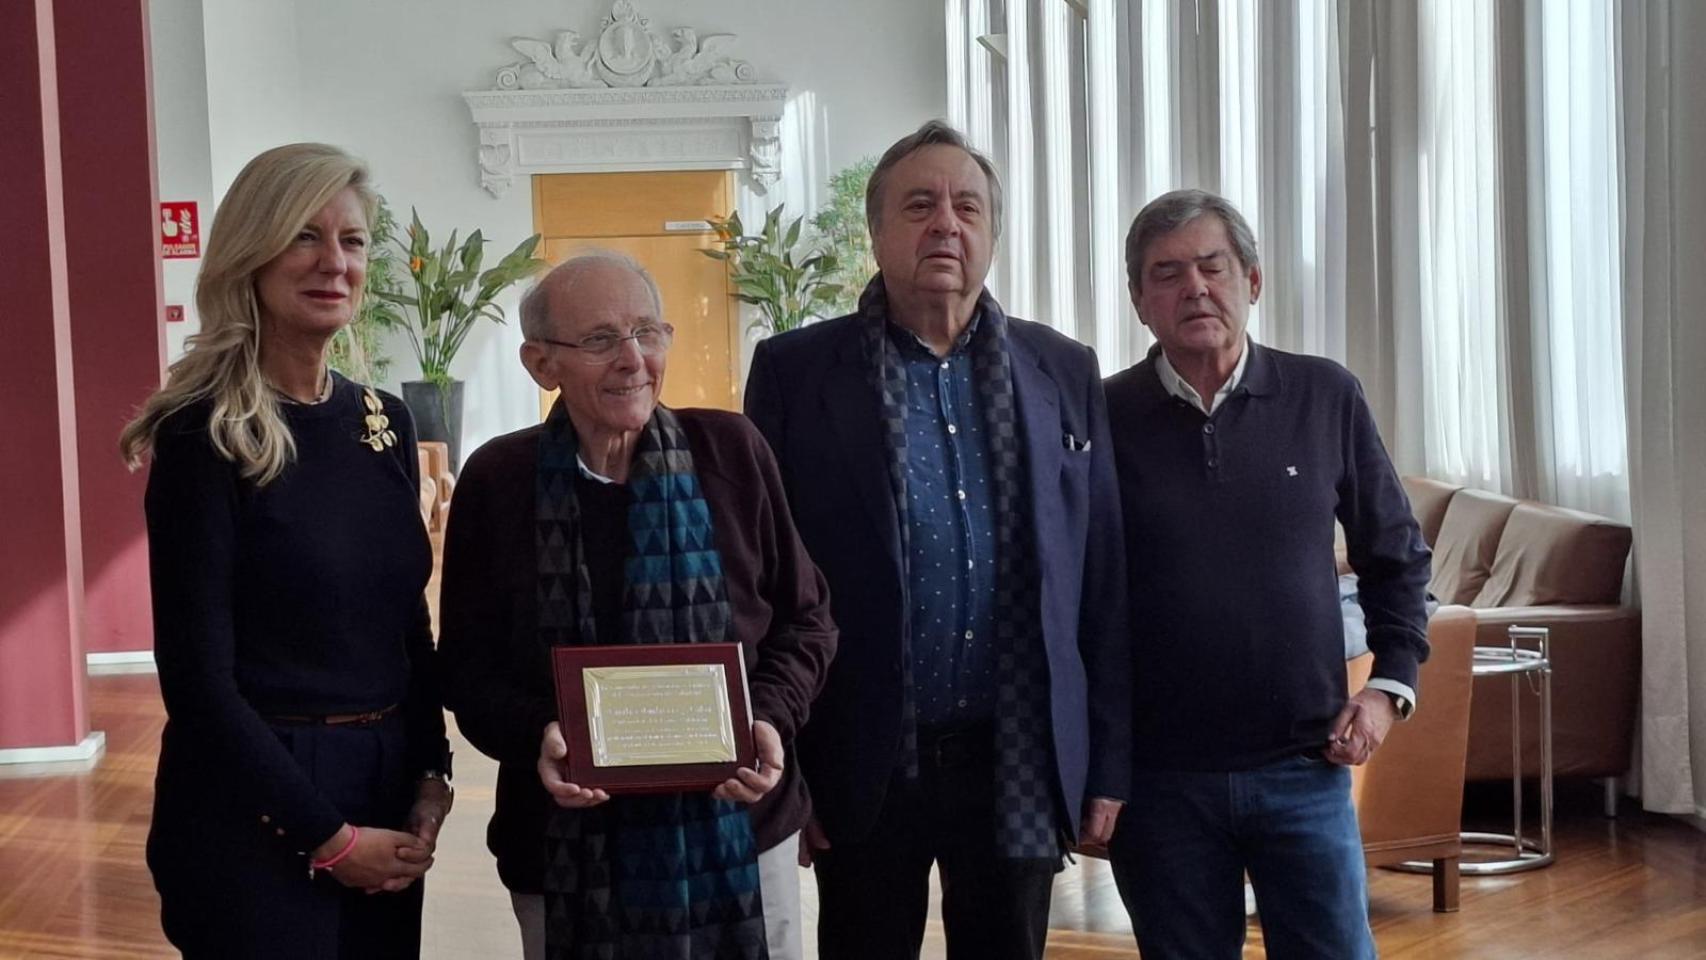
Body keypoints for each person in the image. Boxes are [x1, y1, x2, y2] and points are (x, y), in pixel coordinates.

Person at [744, 120, 1131, 960]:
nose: (945, 225)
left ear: (991, 232)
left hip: (1017, 752)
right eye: (919, 205)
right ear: (877, 231)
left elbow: (1097, 581)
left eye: (967, 207)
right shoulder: (795, 371)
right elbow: (761, 585)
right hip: (862, 752)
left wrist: (1104, 764)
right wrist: (788, 765)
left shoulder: (1062, 368)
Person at [437, 251, 837, 960]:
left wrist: (769, 718)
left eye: (648, 332)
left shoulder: (733, 452)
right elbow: (466, 671)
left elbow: (807, 619)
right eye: (599, 340)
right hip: (563, 846)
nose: (633, 359)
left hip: (741, 830)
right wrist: (542, 736)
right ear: (541, 364)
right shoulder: (500, 480)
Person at [120, 142, 452, 959]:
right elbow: (198, 685)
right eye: (304, 236)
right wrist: (328, 838)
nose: (333, 262)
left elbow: (404, 620)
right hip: (254, 803)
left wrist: (430, 771)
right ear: (252, 252)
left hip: (381, 786)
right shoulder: (204, 435)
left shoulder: (384, 421)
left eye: (352, 241)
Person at [1102, 188, 1432, 959]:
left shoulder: (1325, 395)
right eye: (1168, 274)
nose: (1195, 289)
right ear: (1139, 301)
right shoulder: (1102, 414)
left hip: (1305, 768)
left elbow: (1397, 556)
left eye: (1213, 267)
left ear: (1252, 281)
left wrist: (1389, 689)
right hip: (1161, 782)